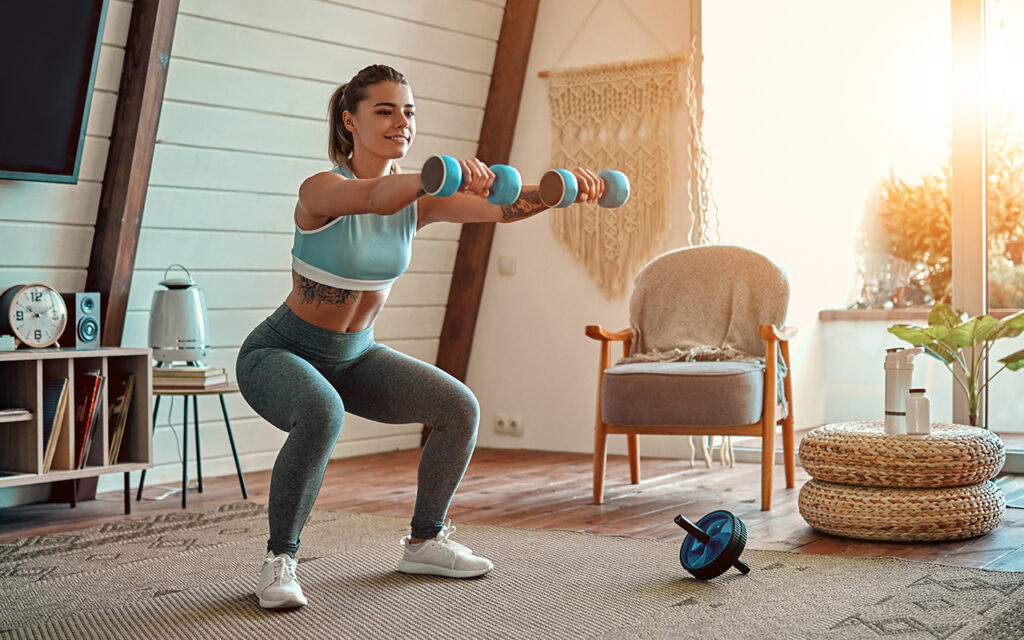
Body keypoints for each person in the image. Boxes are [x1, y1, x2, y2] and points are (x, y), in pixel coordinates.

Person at [235, 64, 605, 610]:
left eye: (408, 111)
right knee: (322, 413)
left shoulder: (422, 197)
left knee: (458, 407)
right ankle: (279, 563)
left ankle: (426, 541)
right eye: (384, 110)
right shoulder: (320, 189)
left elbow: (503, 207)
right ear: (349, 120)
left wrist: (559, 191)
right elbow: (377, 196)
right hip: (280, 351)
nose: (400, 121)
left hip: (355, 356)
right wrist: (441, 175)